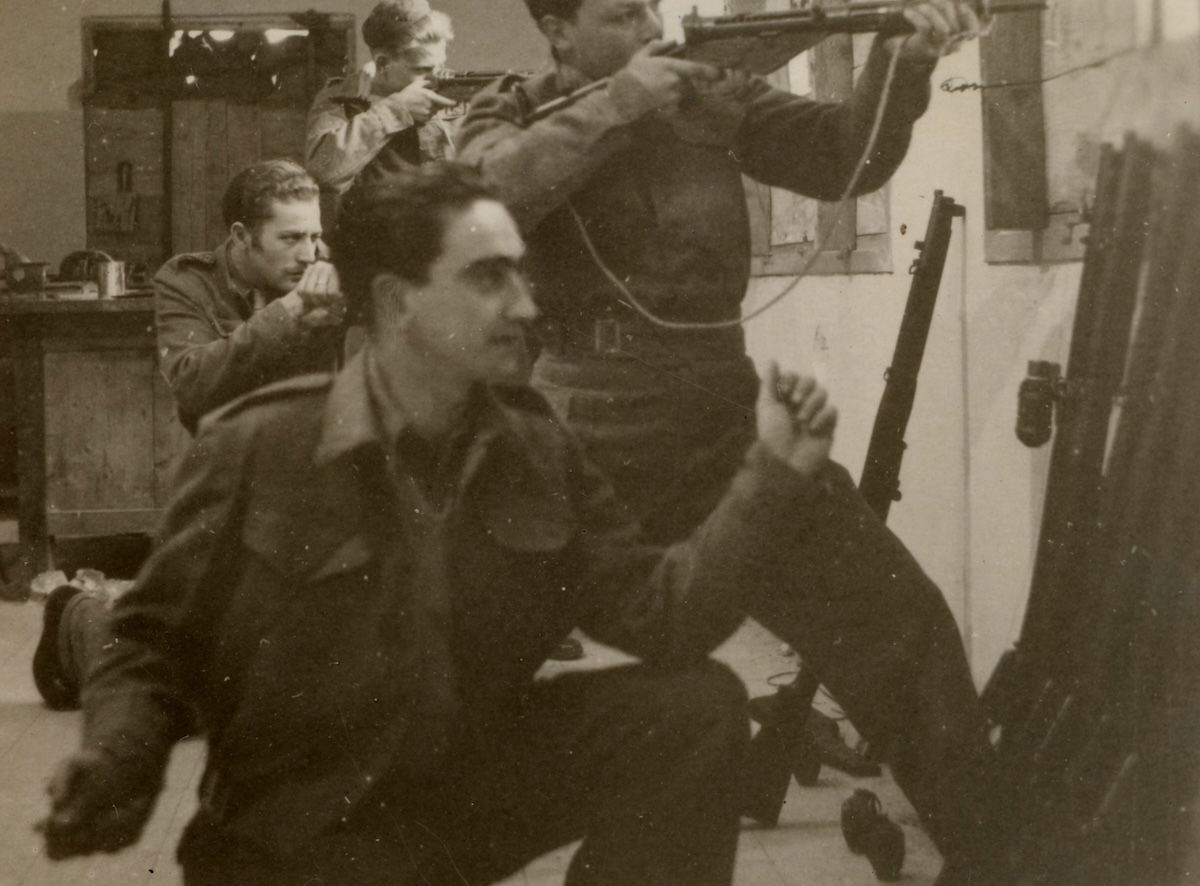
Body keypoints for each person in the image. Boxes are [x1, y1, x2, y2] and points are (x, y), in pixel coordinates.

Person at [39, 163, 842, 886]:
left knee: (692, 707)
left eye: (521, 277)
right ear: (396, 300)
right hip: (303, 837)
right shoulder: (261, 444)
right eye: (489, 279)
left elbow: (664, 618)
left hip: (457, 804)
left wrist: (771, 476)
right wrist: (119, 760)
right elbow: (150, 643)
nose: (527, 306)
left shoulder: (533, 445)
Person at [456, 0, 1007, 883]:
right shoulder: (508, 110)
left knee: (898, 627)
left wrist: (903, 64)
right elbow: (488, 196)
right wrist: (623, 102)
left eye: (659, 6)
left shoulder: (700, 95)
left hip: (721, 425)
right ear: (557, 30)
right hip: (582, 440)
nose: (657, 31)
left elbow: (844, 154)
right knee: (458, 678)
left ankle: (1010, 866)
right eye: (626, 16)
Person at [32, 159, 345, 713]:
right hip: (214, 501)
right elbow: (195, 386)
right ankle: (76, 621)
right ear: (242, 237)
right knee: (184, 694)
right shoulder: (186, 281)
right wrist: (289, 315)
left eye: (316, 236)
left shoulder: (324, 280)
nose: (309, 253)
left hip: (294, 504)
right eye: (291, 237)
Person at [306, 0, 458, 205]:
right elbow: (322, 172)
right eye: (422, 69)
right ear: (382, 63)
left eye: (440, 65)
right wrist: (396, 110)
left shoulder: (453, 90)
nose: (437, 77)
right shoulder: (340, 99)